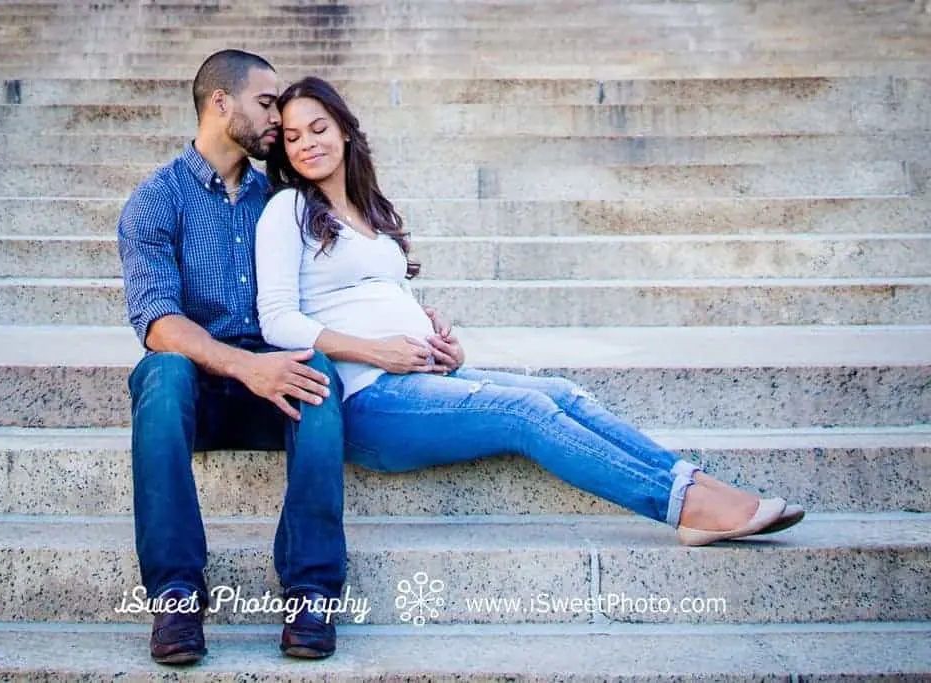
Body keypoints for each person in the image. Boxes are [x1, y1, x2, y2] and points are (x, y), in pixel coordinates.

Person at [254, 76, 807, 632]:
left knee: (564, 392)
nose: (307, 144)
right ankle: (682, 505)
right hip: (366, 401)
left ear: (346, 132)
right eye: (294, 136)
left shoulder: (370, 211)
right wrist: (376, 350)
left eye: (319, 128)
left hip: (423, 379)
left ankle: (694, 481)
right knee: (526, 413)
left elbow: (378, 294)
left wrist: (438, 337)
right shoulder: (288, 210)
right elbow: (277, 321)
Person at [118, 52, 450, 664]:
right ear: (222, 103)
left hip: (284, 387)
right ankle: (174, 595)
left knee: (316, 372)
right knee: (160, 374)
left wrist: (416, 324)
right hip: (204, 388)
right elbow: (157, 324)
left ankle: (312, 592)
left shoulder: (283, 197)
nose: (279, 120)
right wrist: (247, 366)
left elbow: (354, 272)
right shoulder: (155, 201)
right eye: (267, 104)